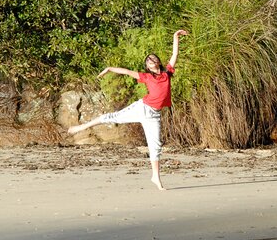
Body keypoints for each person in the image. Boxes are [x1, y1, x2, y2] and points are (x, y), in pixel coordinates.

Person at [68, 30, 188, 190]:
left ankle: (156, 177)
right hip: (142, 108)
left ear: (158, 61)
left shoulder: (167, 73)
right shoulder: (146, 76)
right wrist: (109, 68)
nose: (151, 61)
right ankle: (81, 127)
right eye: (148, 61)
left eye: (153, 59)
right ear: (147, 66)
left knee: (156, 145)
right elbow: (126, 71)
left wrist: (175, 36)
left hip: (154, 115)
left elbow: (174, 54)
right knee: (113, 117)